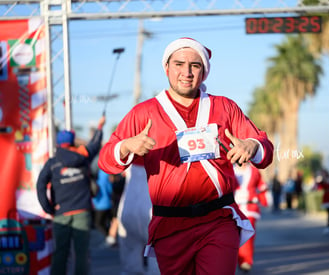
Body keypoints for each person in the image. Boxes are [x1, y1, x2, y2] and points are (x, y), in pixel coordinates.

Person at [98, 37, 274, 274]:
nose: (187, 72)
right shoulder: (144, 112)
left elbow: (265, 148)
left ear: (204, 72)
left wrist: (252, 145)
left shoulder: (224, 107)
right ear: (167, 68)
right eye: (179, 64)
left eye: (195, 65)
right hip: (169, 226)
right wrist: (126, 146)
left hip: (217, 220)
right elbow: (106, 161)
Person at [36, 116, 105, 275]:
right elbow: (95, 144)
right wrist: (100, 127)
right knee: (81, 255)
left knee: (60, 254)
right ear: (73, 142)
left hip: (61, 213)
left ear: (59, 144)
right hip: (82, 212)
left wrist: (49, 209)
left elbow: (40, 186)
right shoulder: (83, 155)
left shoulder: (52, 163)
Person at [233, 162, 272, 272]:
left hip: (250, 207)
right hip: (235, 208)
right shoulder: (230, 170)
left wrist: (266, 199)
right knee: (235, 236)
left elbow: (261, 186)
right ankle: (238, 259)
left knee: (248, 234)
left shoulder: (254, 171)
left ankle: (246, 261)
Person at [92, 168, 113, 246]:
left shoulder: (98, 173)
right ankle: (110, 237)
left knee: (99, 223)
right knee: (106, 222)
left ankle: (109, 237)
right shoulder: (105, 173)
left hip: (99, 203)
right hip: (105, 201)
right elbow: (109, 189)